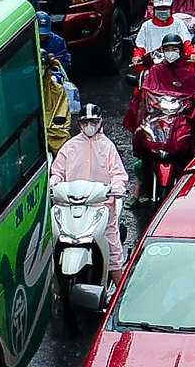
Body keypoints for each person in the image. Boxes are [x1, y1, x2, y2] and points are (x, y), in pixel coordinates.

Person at [49, 103, 132, 272]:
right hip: (72, 207)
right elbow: (57, 171)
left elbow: (118, 174)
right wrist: (53, 184)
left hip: (101, 207)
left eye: (93, 121)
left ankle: (120, 292)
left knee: (113, 250)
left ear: (100, 122)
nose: (89, 126)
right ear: (79, 123)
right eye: (86, 122)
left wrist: (117, 189)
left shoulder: (107, 146)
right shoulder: (70, 146)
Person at [131, 0, 195, 69]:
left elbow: (186, 43)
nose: (162, 11)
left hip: (176, 66)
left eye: (165, 9)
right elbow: (140, 47)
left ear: (170, 9)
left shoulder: (178, 24)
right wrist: (137, 57)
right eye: (159, 9)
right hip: (152, 67)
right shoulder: (146, 26)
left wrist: (193, 53)